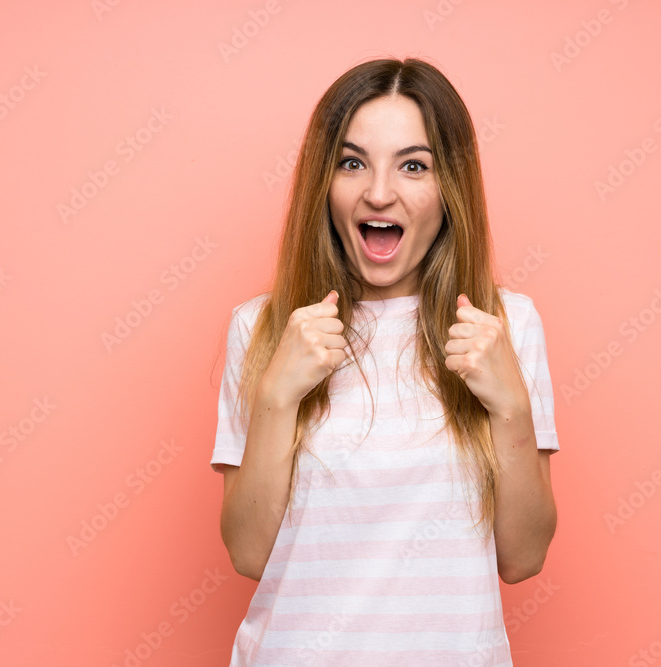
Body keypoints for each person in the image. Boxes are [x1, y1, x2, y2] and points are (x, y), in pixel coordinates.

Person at [210, 56, 560, 666]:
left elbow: (523, 558)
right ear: (326, 182)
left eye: (413, 166)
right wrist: (275, 397)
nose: (377, 192)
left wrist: (510, 407)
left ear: (450, 187)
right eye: (352, 163)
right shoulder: (263, 328)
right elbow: (247, 554)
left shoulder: (506, 327)